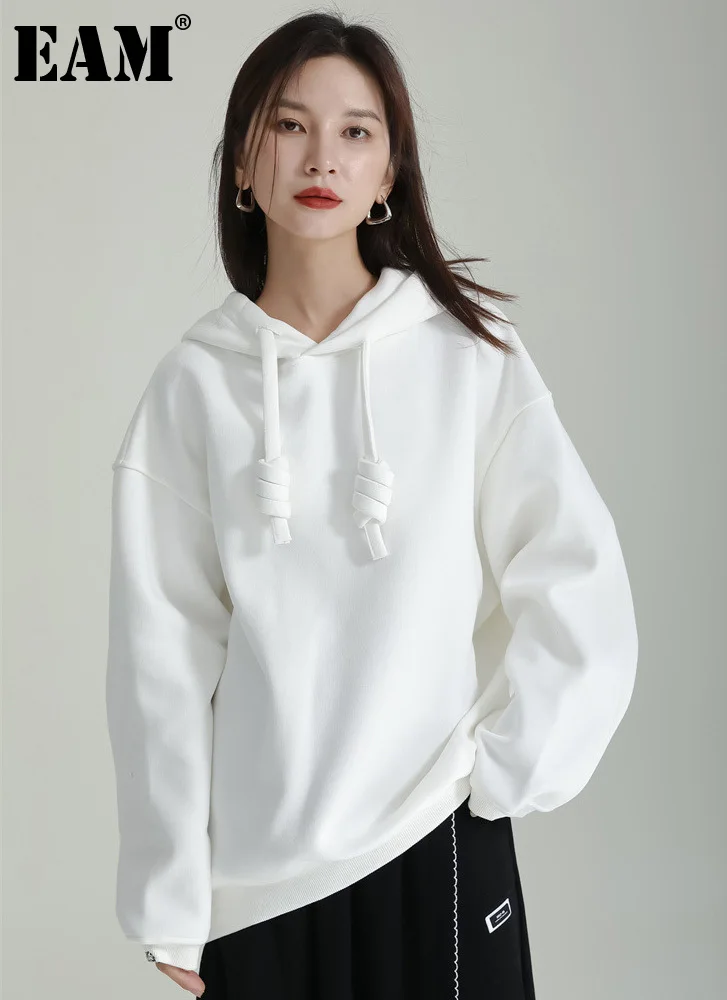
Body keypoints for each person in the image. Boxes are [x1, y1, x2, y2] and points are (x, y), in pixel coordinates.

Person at [104, 10, 639, 999]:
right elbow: (159, 663)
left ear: (389, 171)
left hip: (438, 838)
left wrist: (510, 767)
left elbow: (577, 573)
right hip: (262, 888)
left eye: (356, 131)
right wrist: (170, 894)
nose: (322, 157)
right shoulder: (193, 388)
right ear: (242, 161)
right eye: (289, 124)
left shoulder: (470, 358)